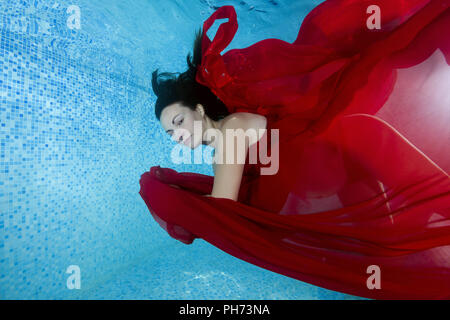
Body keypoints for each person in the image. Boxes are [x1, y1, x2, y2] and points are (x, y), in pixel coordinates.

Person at [140, 0, 450, 299]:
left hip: (345, 151)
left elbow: (222, 205)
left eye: (179, 121)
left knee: (421, 218)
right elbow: (228, 205)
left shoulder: (232, 129)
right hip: (339, 169)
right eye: (170, 132)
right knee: (398, 240)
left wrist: (167, 200)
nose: (177, 134)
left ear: (198, 109)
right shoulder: (222, 147)